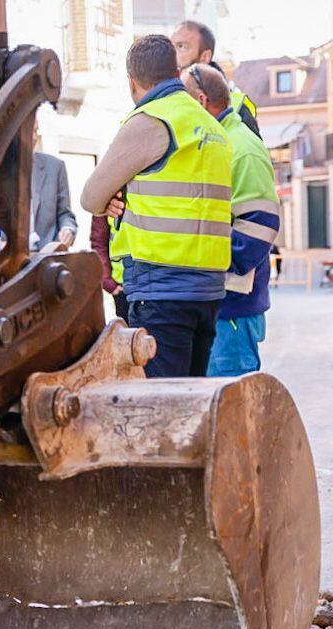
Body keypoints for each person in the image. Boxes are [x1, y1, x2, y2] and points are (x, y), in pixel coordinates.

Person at [79, 35, 232, 378]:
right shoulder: (210, 125)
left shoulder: (151, 121)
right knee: (191, 401)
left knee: (160, 406)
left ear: (132, 81)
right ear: (175, 73)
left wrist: (117, 197)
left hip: (161, 287)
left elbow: (91, 197)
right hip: (208, 288)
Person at [181, 64, 280, 376]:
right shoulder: (217, 142)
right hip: (216, 302)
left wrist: (209, 266)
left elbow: (259, 228)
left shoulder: (241, 149)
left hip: (231, 305)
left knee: (231, 407)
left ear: (199, 102)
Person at [170, 19, 261, 137]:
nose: (172, 54)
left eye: (182, 46)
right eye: (170, 46)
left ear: (205, 57)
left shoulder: (237, 110)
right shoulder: (164, 98)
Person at [31, 125, 77, 253]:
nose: (35, 137)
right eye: (30, 130)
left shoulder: (55, 167)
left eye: (36, 130)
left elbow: (65, 214)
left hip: (47, 259)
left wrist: (68, 229)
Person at [92, 213, 127, 322]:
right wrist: (108, 282)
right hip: (122, 286)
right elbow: (99, 242)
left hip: (157, 281)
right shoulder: (106, 197)